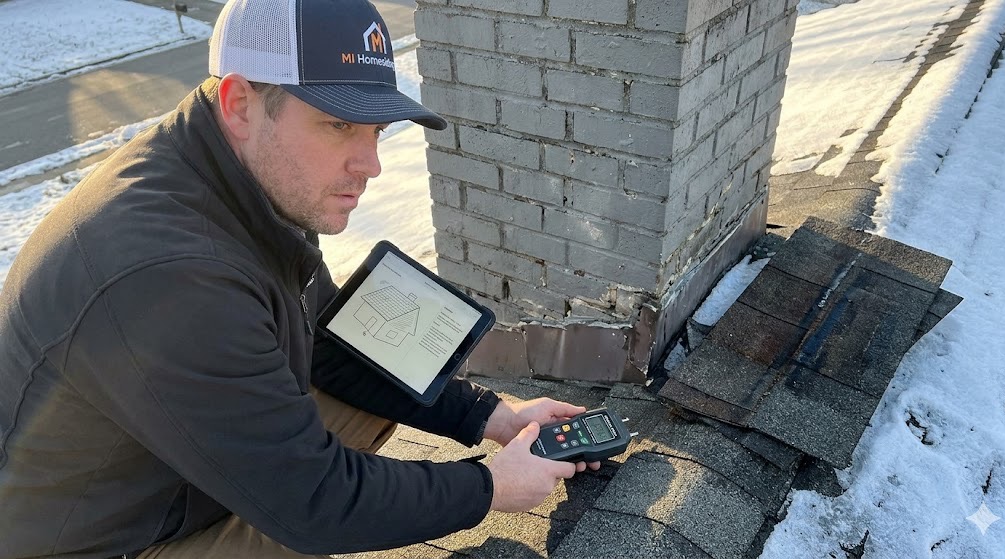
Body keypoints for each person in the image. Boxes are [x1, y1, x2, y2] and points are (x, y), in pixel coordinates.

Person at [0, 0, 599, 557]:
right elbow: (313, 503)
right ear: (239, 102)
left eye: (376, 131)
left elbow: (332, 344)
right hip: (107, 538)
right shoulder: (172, 276)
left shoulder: (245, 178)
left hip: (168, 466)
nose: (370, 165)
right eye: (339, 125)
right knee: (313, 505)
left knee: (363, 384)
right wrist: (489, 488)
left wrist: (497, 418)